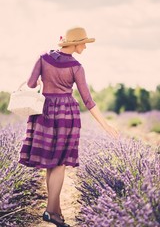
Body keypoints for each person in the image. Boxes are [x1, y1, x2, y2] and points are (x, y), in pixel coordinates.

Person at [19, 27, 118, 227]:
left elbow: (30, 85)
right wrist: (105, 125)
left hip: (44, 111)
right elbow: (88, 100)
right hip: (66, 114)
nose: (85, 47)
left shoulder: (43, 58)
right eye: (83, 43)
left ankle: (56, 211)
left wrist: (39, 82)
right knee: (60, 162)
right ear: (73, 44)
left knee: (51, 162)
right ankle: (50, 211)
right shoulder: (76, 67)